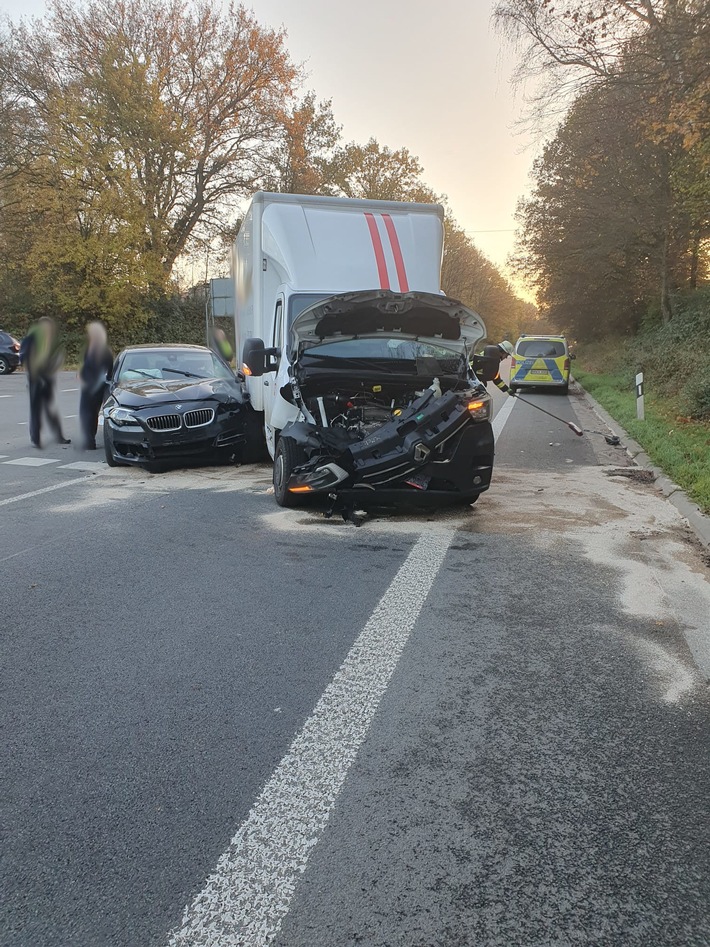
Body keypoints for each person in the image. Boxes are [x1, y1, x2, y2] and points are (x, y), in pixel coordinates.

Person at [19, 317, 70, 448]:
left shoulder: (51, 341)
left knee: (50, 408)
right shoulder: (32, 338)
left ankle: (59, 436)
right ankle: (35, 439)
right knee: (36, 409)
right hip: (36, 378)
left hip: (47, 378)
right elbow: (24, 355)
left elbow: (57, 356)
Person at [79, 322, 114, 450]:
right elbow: (110, 370)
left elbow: (87, 367)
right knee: (92, 413)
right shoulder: (105, 351)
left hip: (91, 386)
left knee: (87, 413)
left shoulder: (92, 349)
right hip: (99, 385)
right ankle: (90, 440)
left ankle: (89, 441)